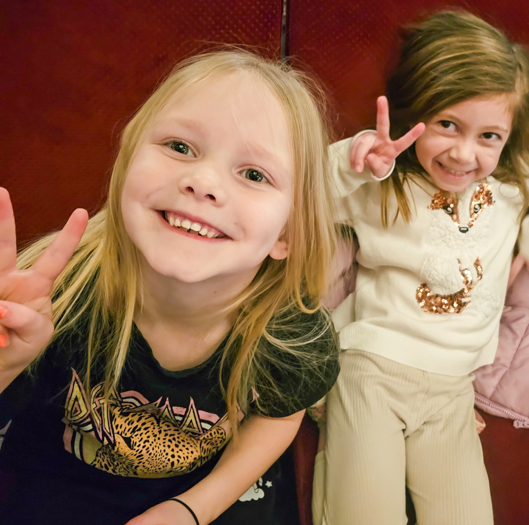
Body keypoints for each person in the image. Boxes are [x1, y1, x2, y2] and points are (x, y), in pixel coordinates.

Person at [0, 50, 339, 525]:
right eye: (180, 147)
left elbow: (280, 417)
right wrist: (7, 360)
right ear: (127, 163)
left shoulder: (293, 336)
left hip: (210, 496)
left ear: (288, 234)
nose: (202, 182)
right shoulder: (54, 291)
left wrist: (190, 511)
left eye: (254, 174)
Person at [314, 11, 529, 525]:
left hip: (452, 392)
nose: (464, 153)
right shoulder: (384, 182)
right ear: (416, 114)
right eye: (447, 124)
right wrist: (351, 161)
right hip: (370, 369)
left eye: (489, 136)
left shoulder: (513, 185)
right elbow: (302, 202)